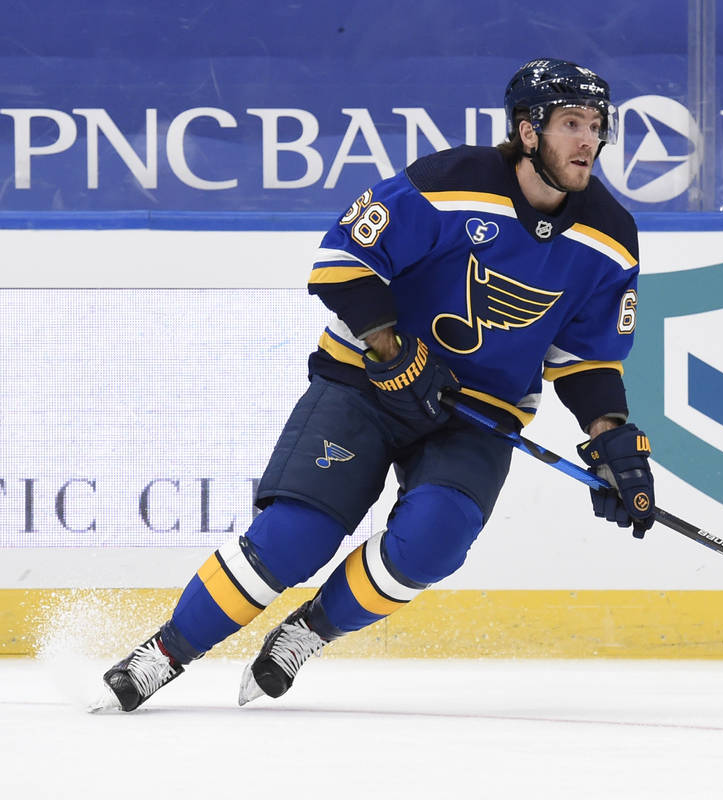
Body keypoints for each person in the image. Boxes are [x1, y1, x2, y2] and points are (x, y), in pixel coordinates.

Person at [92, 57, 656, 712]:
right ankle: (165, 652)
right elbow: (343, 263)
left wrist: (612, 442)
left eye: (595, 125)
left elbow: (586, 359)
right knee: (294, 538)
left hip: (479, 414)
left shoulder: (611, 236)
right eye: (569, 124)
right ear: (528, 131)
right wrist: (391, 353)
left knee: (435, 541)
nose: (588, 141)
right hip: (365, 385)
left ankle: (308, 631)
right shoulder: (450, 183)